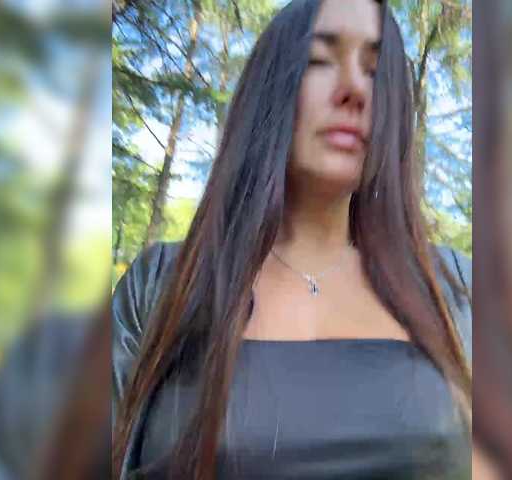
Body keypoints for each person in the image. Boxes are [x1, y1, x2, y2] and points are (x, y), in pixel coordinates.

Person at [113, 0, 472, 478]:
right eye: (319, 61)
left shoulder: (456, 291)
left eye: (374, 72)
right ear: (270, 88)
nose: (354, 90)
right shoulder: (161, 286)